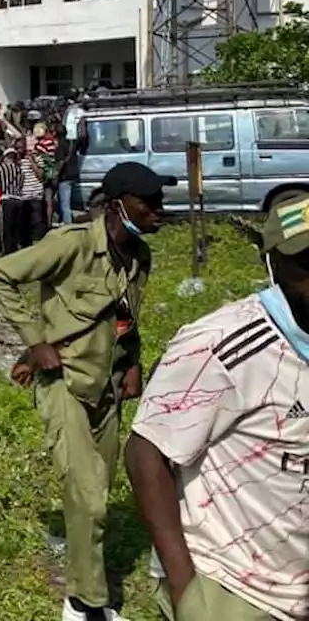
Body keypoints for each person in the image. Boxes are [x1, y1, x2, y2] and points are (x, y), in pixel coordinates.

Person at [0, 162, 171, 621]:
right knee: (89, 497)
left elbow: (127, 317)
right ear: (118, 205)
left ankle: (82, 589)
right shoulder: (71, 246)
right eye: (148, 203)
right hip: (64, 382)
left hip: (105, 385)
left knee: (95, 495)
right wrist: (36, 340)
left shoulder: (139, 257)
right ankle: (87, 604)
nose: (158, 212)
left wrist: (134, 362)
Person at [126, 191, 309, 621]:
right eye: (308, 264)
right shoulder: (221, 346)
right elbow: (146, 451)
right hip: (235, 590)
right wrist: (187, 591)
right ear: (274, 265)